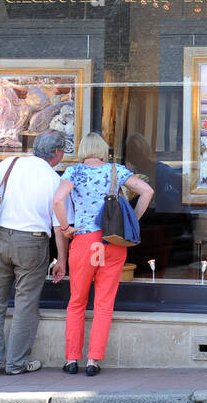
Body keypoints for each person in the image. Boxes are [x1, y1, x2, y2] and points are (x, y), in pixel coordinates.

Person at [54, 132, 154, 376]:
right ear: (102, 150)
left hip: (84, 241)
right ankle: (93, 361)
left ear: (82, 150)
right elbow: (147, 191)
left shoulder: (74, 172)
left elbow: (58, 200)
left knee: (77, 301)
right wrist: (132, 220)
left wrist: (66, 228)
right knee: (104, 303)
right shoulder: (116, 171)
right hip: (112, 241)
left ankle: (71, 359)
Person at [0, 129, 68, 376]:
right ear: (57, 153)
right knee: (25, 305)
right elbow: (59, 227)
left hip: (0, 237)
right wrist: (62, 259)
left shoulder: (11, 162)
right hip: (32, 243)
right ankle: (16, 364)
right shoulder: (55, 180)